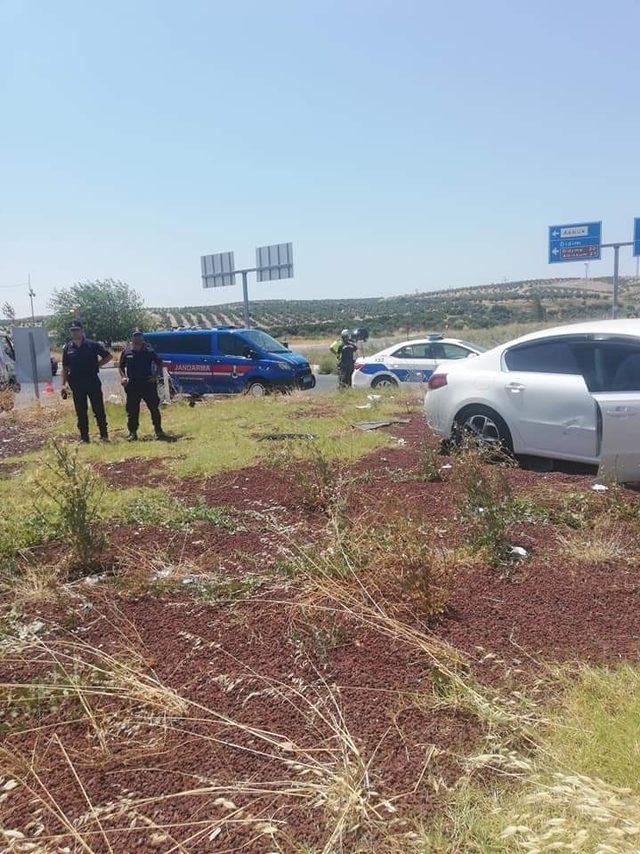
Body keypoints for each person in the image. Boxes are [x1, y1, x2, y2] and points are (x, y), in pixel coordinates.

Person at [61, 321, 111, 443]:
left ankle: (104, 435)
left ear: (82, 330)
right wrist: (63, 385)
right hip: (76, 384)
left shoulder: (92, 345)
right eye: (72, 330)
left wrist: (97, 365)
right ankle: (84, 437)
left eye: (77, 330)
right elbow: (65, 368)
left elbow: (108, 356)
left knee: (98, 409)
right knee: (81, 411)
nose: (75, 332)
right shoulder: (68, 347)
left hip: (92, 381)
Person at [119, 330, 170, 441]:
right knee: (132, 410)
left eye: (139, 336)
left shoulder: (149, 351)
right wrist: (123, 377)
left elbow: (160, 363)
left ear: (142, 338)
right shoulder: (126, 351)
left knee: (154, 408)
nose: (137, 338)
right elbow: (121, 366)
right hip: (133, 385)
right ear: (132, 338)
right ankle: (133, 433)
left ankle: (159, 431)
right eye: (135, 336)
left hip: (148, 384)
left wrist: (156, 375)